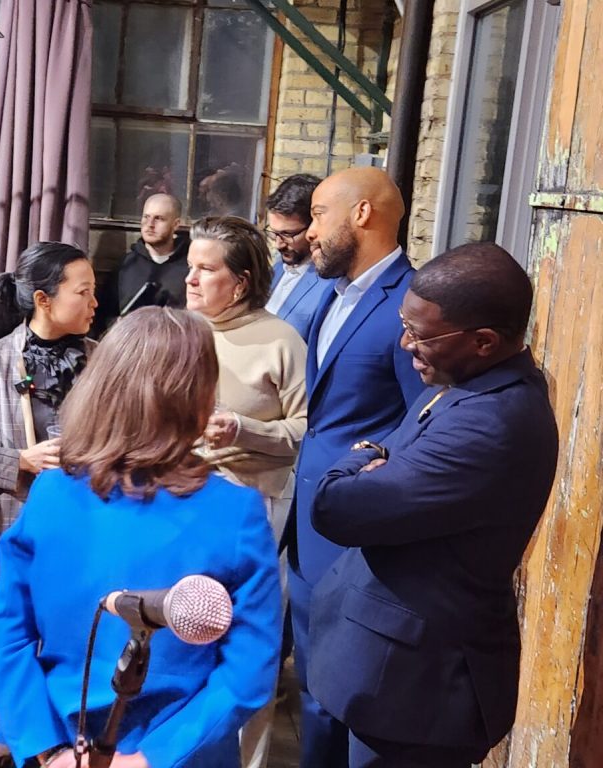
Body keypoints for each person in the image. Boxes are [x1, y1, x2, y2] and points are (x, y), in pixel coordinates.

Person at [0, 307, 282, 768]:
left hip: (66, 746)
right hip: (183, 752)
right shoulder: (236, 513)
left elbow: (5, 637)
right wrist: (152, 759)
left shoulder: (51, 494)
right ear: (197, 403)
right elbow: (249, 671)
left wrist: (45, 747)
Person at [307, 243, 559, 767]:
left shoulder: (489, 424)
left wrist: (360, 457)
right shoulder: (461, 384)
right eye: (404, 324)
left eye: (420, 335)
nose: (404, 344)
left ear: (484, 341)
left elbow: (337, 508)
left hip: (419, 694)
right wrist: (378, 457)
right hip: (391, 678)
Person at [288, 167, 426, 768]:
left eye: (319, 214)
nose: (309, 231)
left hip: (353, 541)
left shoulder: (413, 305)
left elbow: (421, 421)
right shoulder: (331, 294)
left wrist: (367, 477)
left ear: (362, 215)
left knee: (338, 696)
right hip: (305, 532)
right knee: (310, 691)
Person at [0, 242, 98, 765]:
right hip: (8, 528)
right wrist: (21, 460)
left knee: (74, 634)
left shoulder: (99, 362)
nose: (95, 302)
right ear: (43, 299)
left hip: (85, 529)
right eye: (84, 292)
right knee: (3, 637)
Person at [184, 216, 307, 768]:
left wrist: (244, 428)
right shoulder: (181, 330)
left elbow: (310, 434)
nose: (191, 280)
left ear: (240, 282)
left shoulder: (281, 340)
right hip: (181, 504)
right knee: (184, 635)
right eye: (190, 267)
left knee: (244, 646)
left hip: (254, 507)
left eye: (205, 270)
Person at [95, 194, 188, 334]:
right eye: (146, 217)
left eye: (159, 218)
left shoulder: (190, 267)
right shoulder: (126, 266)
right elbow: (103, 315)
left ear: (175, 224)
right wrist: (117, 324)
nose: (150, 224)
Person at [263, 174, 326, 341]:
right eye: (274, 233)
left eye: (288, 234)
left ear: (314, 227)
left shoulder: (332, 284)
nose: (278, 244)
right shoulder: (277, 268)